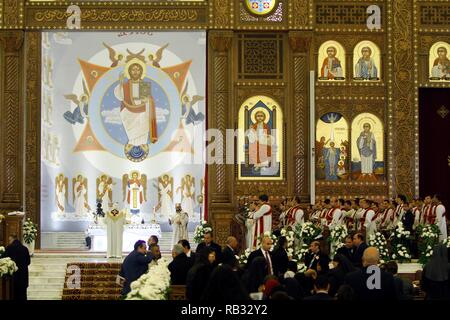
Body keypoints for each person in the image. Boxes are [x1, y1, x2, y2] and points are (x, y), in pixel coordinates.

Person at [114, 61, 158, 147]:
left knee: (143, 123)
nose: (135, 71)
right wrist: (120, 82)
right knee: (133, 136)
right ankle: (133, 144)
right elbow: (120, 97)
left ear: (141, 72)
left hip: (142, 114)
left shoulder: (143, 85)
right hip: (129, 113)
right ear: (129, 72)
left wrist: (149, 102)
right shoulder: (125, 86)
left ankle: (142, 145)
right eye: (133, 69)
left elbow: (147, 103)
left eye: (138, 70)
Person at [4, 234, 30, 300]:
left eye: (9, 240)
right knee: (23, 295)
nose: (9, 242)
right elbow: (28, 262)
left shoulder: (9, 248)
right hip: (23, 276)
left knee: (14, 295)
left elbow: (4, 260)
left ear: (12, 239)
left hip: (13, 277)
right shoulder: (25, 248)